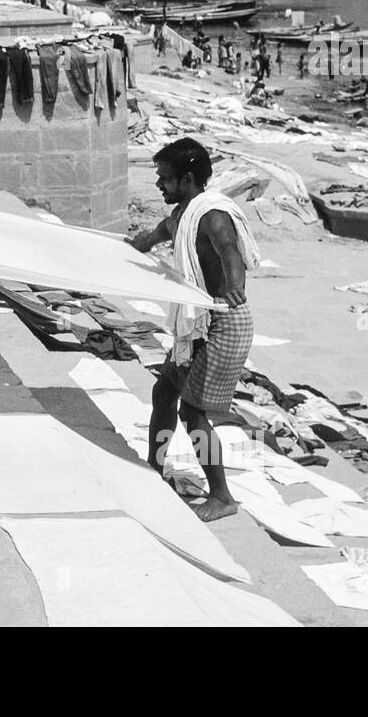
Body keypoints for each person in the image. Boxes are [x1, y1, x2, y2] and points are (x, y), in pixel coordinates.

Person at [124, 138, 260, 522]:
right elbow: (157, 235)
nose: (158, 185)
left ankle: (221, 496)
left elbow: (229, 250)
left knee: (193, 412)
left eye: (164, 178)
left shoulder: (212, 215)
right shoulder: (183, 215)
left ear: (186, 179)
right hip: (198, 322)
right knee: (163, 391)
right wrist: (133, 248)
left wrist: (235, 285)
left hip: (224, 320)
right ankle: (155, 465)